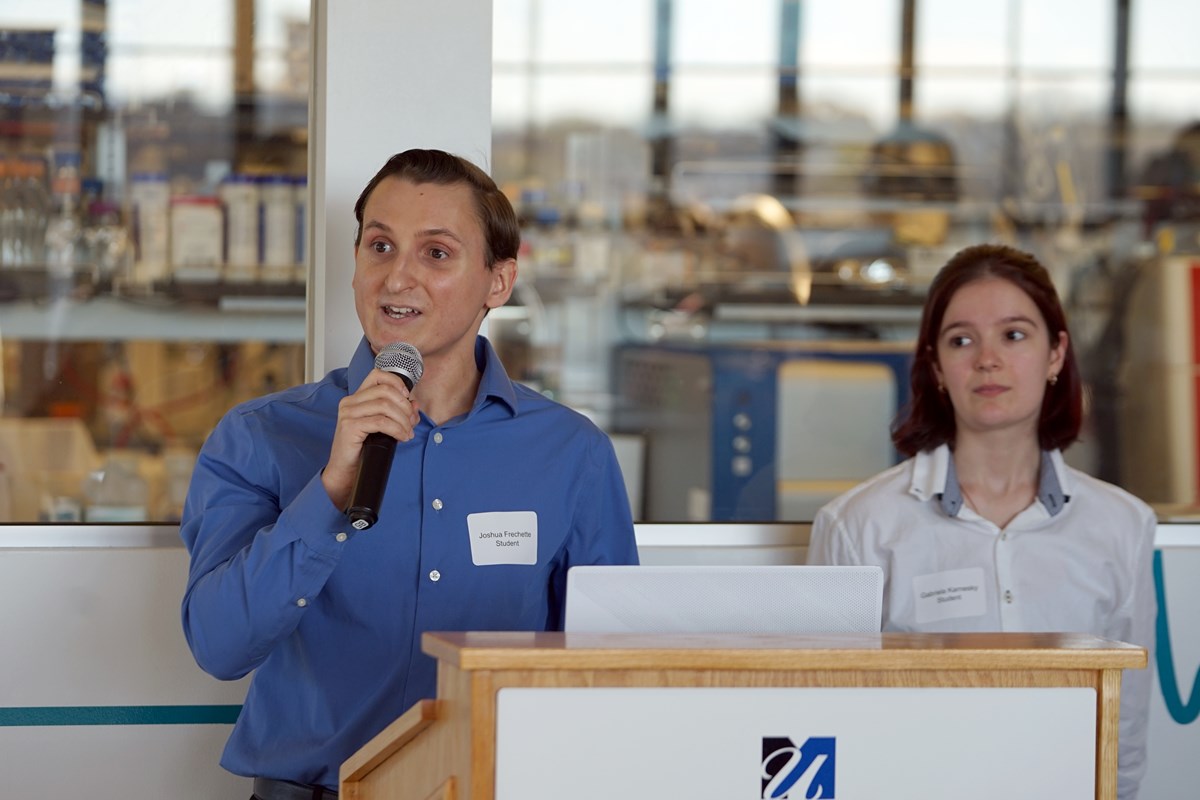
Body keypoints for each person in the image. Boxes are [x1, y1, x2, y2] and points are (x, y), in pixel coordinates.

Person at [179, 149, 640, 798]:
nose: (398, 278)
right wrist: (333, 488)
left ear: (498, 283)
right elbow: (221, 647)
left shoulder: (570, 454)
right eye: (380, 246)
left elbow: (608, 676)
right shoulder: (261, 436)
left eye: (437, 254)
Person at [806, 243, 1156, 800]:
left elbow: (1126, 725)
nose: (987, 359)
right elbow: (825, 714)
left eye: (1013, 335)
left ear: (1056, 355)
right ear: (937, 368)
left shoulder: (1121, 526)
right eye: (961, 340)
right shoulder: (859, 525)